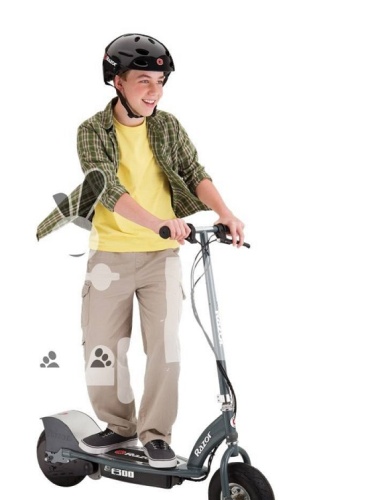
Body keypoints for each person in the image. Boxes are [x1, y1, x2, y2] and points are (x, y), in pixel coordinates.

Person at [36, 33, 245, 468]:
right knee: (102, 350)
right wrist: (159, 223)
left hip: (161, 259)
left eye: (160, 82)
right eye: (144, 81)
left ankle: (156, 435)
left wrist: (225, 212)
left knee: (165, 350)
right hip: (109, 256)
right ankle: (118, 425)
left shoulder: (167, 127)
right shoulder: (92, 131)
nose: (155, 92)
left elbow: (194, 171)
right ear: (118, 82)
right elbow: (108, 188)